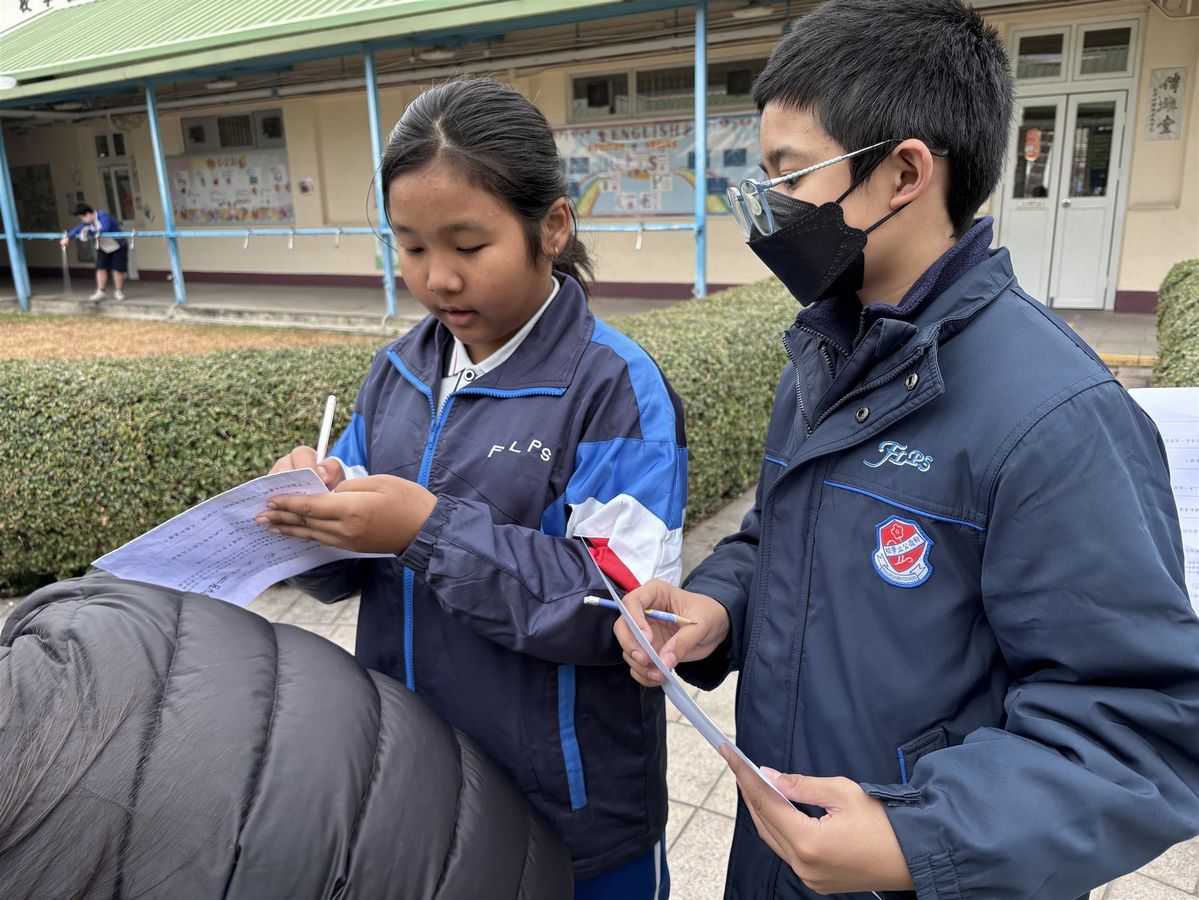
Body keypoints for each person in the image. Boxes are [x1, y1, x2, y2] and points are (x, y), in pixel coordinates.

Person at [614, 1, 1199, 898]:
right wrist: (718, 606)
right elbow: (779, 536)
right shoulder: (824, 352)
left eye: (788, 174)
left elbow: (1139, 727)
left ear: (903, 173)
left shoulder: (1057, 416)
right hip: (783, 853)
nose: (764, 209)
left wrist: (913, 836)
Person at [258, 77, 688, 899]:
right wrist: (302, 516)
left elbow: (621, 605)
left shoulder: (613, 387)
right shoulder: (396, 371)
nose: (438, 280)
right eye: (412, 247)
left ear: (551, 227)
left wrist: (425, 531)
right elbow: (347, 569)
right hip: (417, 791)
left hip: (570, 815)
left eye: (467, 246)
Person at [0, 571, 573, 899]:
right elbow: (341, 570)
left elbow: (601, 599)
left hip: (528, 804)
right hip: (476, 801)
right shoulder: (77, 611)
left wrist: (421, 529)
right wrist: (316, 508)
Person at [59, 202, 128, 301]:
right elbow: (77, 229)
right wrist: (68, 237)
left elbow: (105, 229)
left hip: (118, 245)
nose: (82, 220)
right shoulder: (87, 223)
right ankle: (101, 291)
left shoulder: (103, 216)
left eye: (82, 217)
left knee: (117, 269)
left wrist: (90, 232)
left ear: (88, 214)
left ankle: (119, 291)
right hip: (103, 247)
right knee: (100, 268)